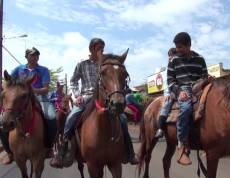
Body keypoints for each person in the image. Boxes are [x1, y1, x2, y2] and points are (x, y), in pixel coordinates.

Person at [50, 38, 138, 168]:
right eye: (99, 48)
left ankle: (129, 152)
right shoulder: (82, 63)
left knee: (123, 119)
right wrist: (77, 96)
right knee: (71, 117)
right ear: (91, 49)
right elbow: (73, 81)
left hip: (104, 97)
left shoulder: (106, 63)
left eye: (103, 48)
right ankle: (62, 151)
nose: (101, 50)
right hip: (85, 97)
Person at [0, 47, 57, 164]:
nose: (35, 57)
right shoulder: (18, 69)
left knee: (51, 117)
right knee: (3, 120)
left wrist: (32, 90)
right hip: (21, 99)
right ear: (26, 57)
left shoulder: (43, 70)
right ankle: (9, 152)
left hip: (41, 98)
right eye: (32, 55)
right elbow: (9, 83)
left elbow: (46, 88)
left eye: (37, 55)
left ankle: (49, 147)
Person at [167, 32, 208, 165]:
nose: (178, 50)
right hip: (183, 89)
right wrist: (179, 91)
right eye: (177, 47)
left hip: (199, 87)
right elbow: (170, 81)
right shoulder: (174, 60)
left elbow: (204, 76)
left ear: (189, 45)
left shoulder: (200, 59)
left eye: (180, 47)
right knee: (185, 109)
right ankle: (182, 145)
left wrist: (204, 81)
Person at [154, 47, 177, 138]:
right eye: (170, 56)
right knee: (167, 104)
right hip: (170, 91)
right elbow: (168, 82)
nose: (170, 57)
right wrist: (169, 93)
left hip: (181, 90)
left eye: (172, 55)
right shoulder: (169, 67)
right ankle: (160, 128)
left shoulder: (179, 65)